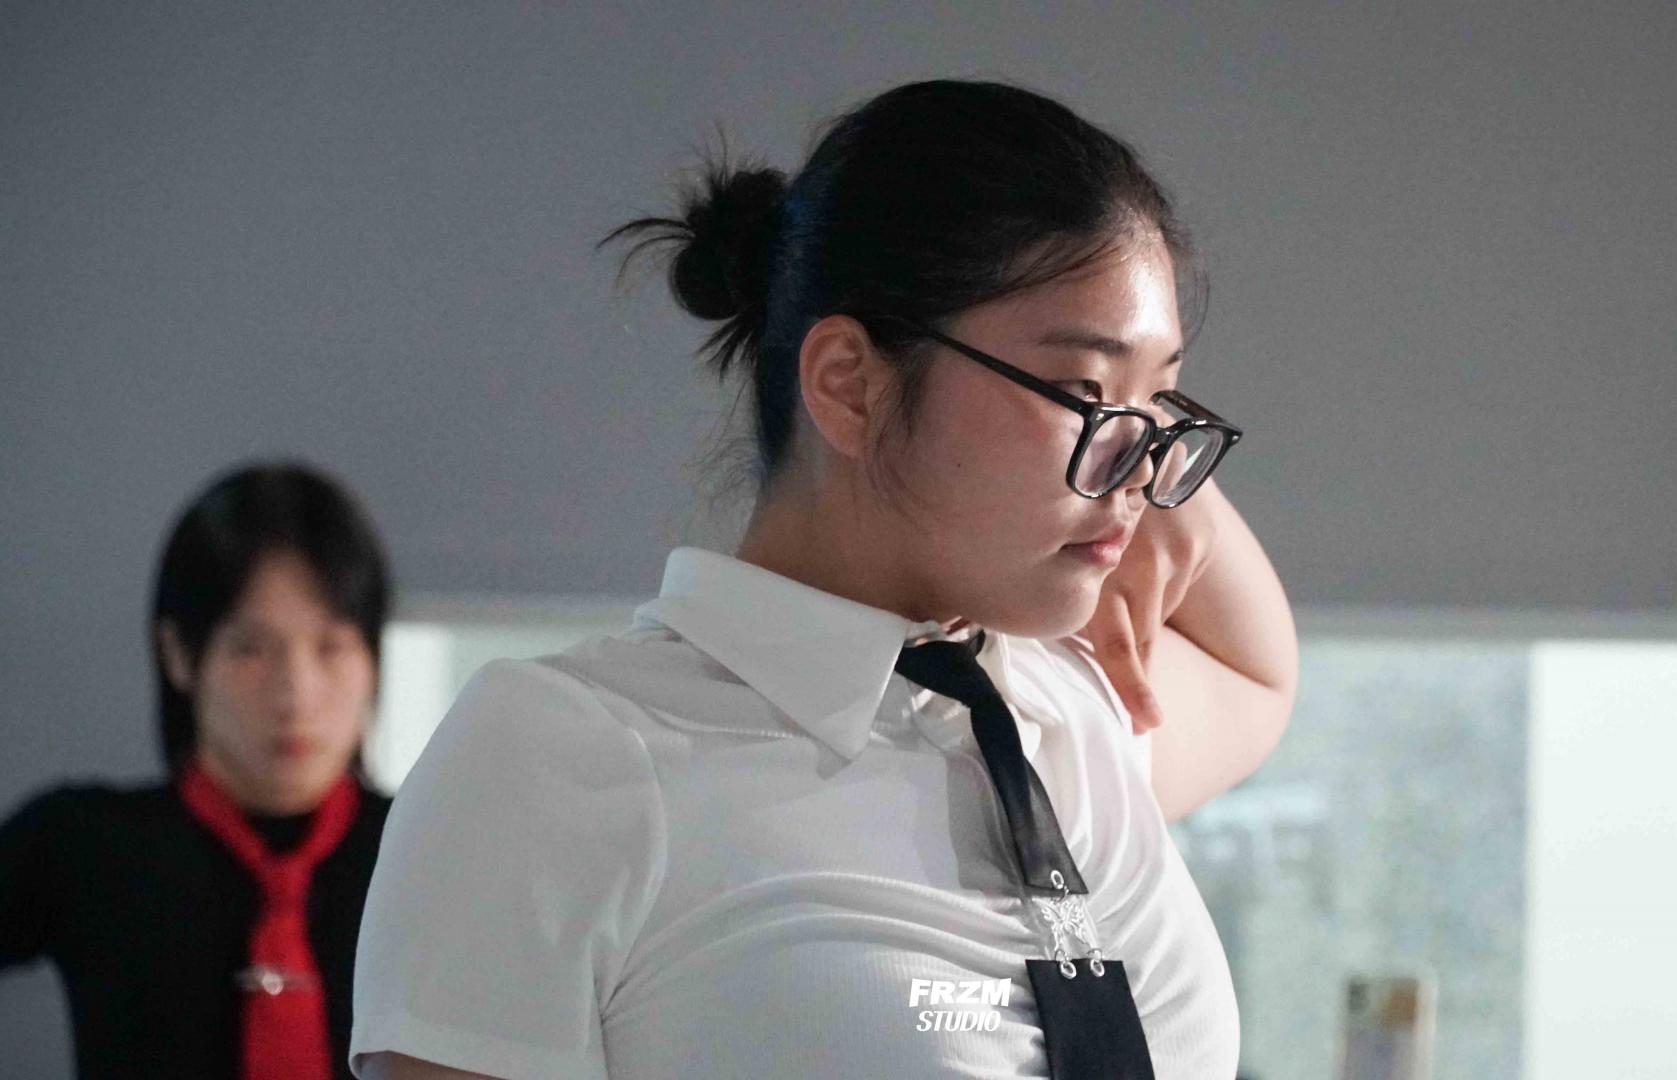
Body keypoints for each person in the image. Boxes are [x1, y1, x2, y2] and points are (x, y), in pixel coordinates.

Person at [353, 78, 1298, 1080]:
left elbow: (1260, 673)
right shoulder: (559, 758)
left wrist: (1135, 455)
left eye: (1160, 400)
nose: (1144, 467)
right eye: (1081, 387)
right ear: (849, 383)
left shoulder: (1067, 710)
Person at [0, 461, 396, 1079]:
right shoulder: (81, 844)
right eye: (251, 649)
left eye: (331, 647)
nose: (296, 693)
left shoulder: (428, 854)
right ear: (180, 654)